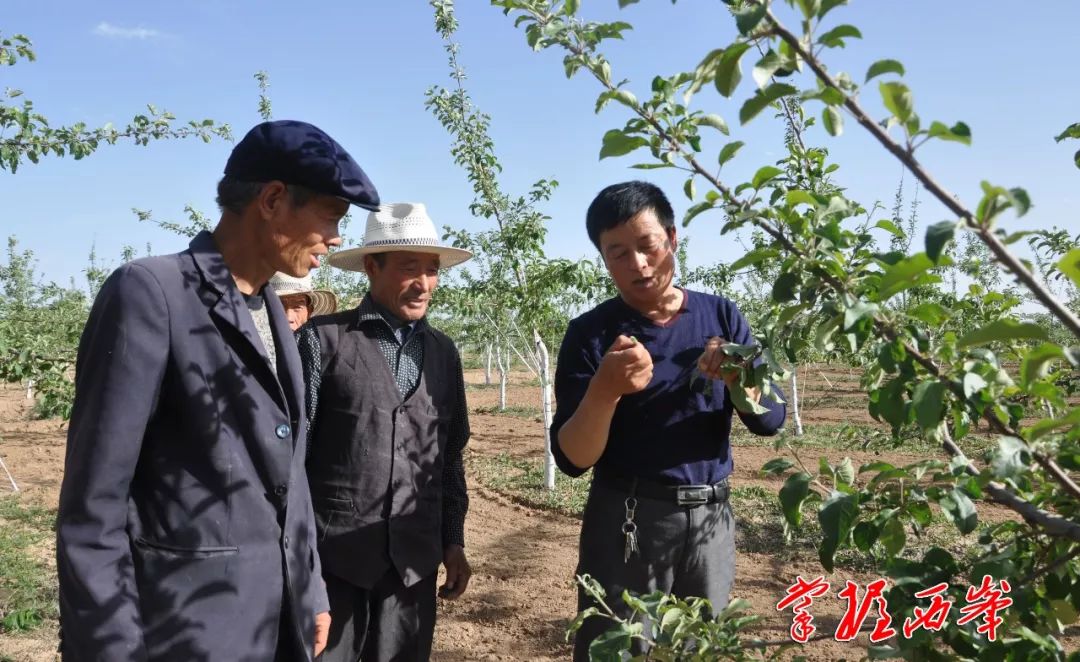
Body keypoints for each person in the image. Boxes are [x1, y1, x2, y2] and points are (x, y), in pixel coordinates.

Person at [55, 120, 380, 662]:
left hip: (275, 624)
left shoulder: (274, 309)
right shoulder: (152, 294)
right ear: (273, 199)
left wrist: (311, 587)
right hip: (184, 630)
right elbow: (95, 503)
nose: (337, 237)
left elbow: (289, 473)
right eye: (330, 215)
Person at [551, 181, 787, 659]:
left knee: (702, 645)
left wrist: (741, 377)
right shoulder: (591, 335)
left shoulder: (721, 315)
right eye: (617, 252)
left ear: (672, 240)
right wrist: (605, 389)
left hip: (710, 522)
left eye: (647, 245)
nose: (637, 263)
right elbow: (573, 458)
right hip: (629, 519)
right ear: (602, 259)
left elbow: (771, 420)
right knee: (619, 646)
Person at [305, 202, 473, 661]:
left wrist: (453, 540)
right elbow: (292, 458)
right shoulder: (323, 340)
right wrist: (298, 561)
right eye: (409, 268)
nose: (424, 283)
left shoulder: (443, 354)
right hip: (333, 563)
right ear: (371, 268)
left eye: (432, 270)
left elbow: (449, 454)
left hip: (413, 568)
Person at [270, 272, 339, 332]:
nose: (288, 318)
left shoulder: (319, 345)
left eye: (297, 307)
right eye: (280, 307)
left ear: (309, 311)